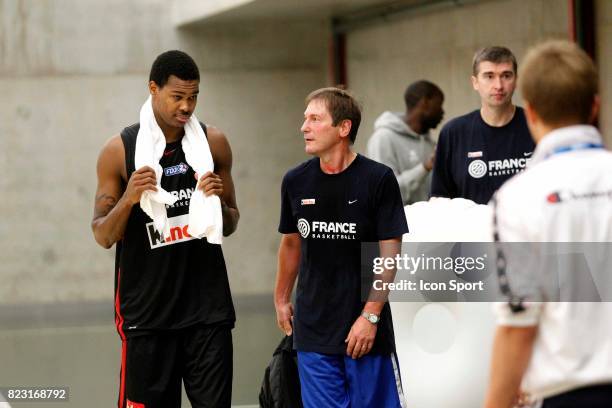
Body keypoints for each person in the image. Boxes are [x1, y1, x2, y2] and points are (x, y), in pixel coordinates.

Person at [91, 50, 239, 408]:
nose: (186, 106)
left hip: (207, 314)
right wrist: (129, 198)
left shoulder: (213, 143)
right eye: (177, 96)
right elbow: (103, 235)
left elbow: (231, 222)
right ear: (153, 89)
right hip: (148, 320)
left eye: (193, 97)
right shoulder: (120, 150)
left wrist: (218, 203)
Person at [484, 40, 612, 408]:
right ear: (594, 106)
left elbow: (517, 326)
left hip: (569, 395)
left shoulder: (517, 197)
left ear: (531, 112)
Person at [274, 87, 409, 407]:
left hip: (364, 332)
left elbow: (390, 255)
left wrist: (371, 316)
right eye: (305, 119)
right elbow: (291, 243)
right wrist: (281, 298)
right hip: (312, 331)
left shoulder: (378, 179)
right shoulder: (295, 181)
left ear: (343, 128)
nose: (304, 127)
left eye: (315, 119)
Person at [430, 46, 535, 204]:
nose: (498, 85)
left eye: (506, 76)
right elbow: (439, 200)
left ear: (516, 81)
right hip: (472, 229)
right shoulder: (453, 133)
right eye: (489, 76)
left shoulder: (536, 124)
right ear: (475, 82)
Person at [367, 80, 444, 205]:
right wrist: (425, 167)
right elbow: (384, 193)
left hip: (428, 222)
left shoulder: (429, 142)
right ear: (425, 103)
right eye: (439, 105)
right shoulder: (383, 138)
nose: (442, 112)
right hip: (396, 224)